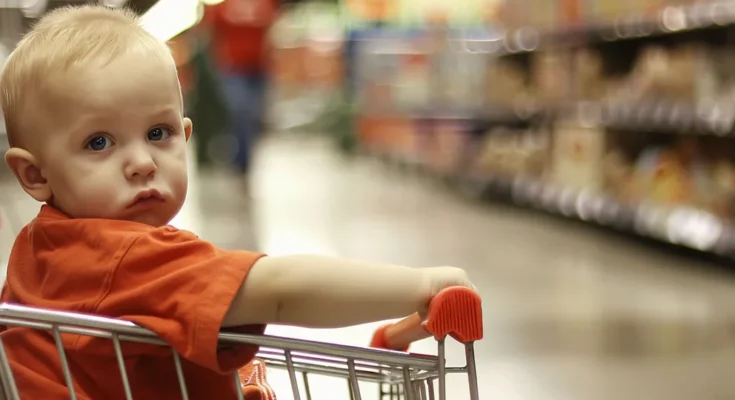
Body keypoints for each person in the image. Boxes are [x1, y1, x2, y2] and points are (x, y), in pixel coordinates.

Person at [0, 5, 476, 400]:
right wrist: (421, 284)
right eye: (99, 142)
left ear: (186, 137)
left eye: (158, 133)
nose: (142, 162)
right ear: (35, 174)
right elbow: (281, 289)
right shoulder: (116, 256)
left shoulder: (44, 249)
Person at [198, 0, 278, 177]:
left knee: (254, 117)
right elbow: (209, 33)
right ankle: (241, 163)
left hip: (258, 70)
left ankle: (244, 160)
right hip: (233, 70)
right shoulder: (223, 6)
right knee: (240, 113)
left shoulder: (266, 3)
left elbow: (272, 30)